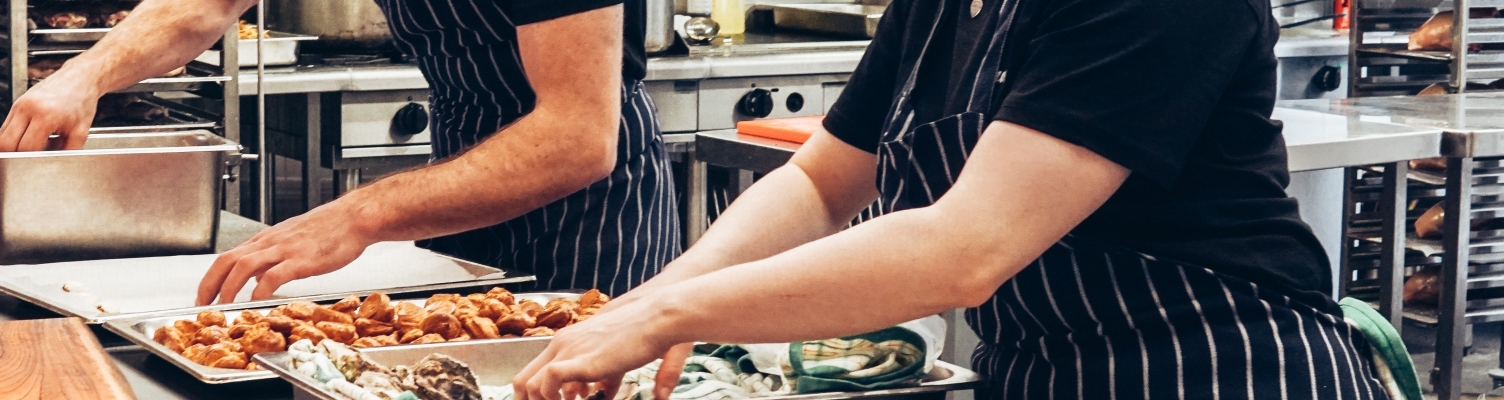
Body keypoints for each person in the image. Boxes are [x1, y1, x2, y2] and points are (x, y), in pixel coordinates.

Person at [511, 0, 1391, 398]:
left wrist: (673, 314)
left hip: (1215, 371)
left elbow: (965, 248)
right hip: (1039, 370)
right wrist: (657, 302)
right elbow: (821, 182)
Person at [0, 0, 680, 303]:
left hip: (590, 223)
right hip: (460, 186)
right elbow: (199, 7)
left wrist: (360, 215)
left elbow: (577, 138)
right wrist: (85, 75)